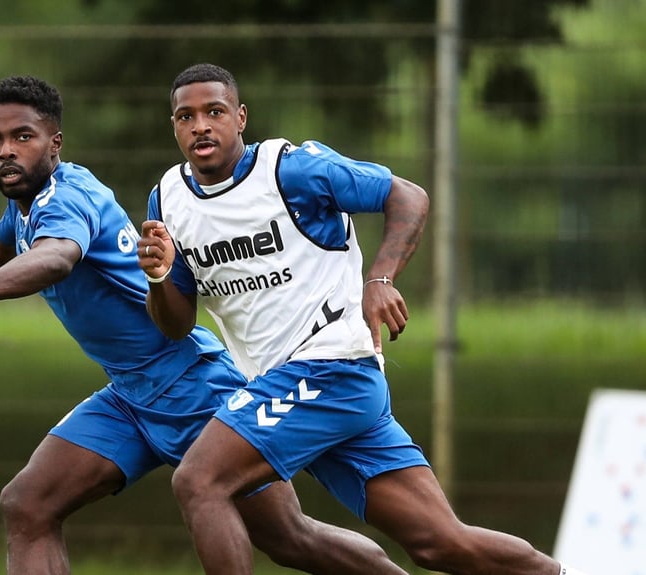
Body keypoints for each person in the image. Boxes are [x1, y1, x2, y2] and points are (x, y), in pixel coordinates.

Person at [0, 75, 411, 575]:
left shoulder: (69, 198)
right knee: (28, 503)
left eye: (22, 137)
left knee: (290, 539)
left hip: (193, 386)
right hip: (129, 395)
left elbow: (56, 257)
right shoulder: (27, 204)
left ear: (55, 142)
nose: (6, 151)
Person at [139, 63, 592, 575]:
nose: (201, 125)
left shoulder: (291, 171)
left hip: (330, 367)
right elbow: (176, 324)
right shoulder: (168, 201)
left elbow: (408, 195)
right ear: (174, 126)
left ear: (241, 117)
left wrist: (379, 280)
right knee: (440, 543)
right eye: (186, 116)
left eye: (215, 111)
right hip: (297, 387)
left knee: (199, 481)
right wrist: (160, 276)